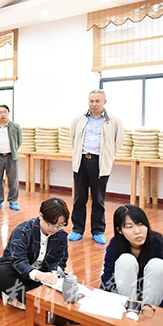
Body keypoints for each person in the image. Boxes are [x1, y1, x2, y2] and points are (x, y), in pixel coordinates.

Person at [0, 197, 70, 310]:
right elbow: (18, 261)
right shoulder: (22, 231)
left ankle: (25, 299)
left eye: (60, 225)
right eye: (52, 225)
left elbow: (60, 260)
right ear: (41, 216)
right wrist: (39, 275)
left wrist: (54, 273)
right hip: (18, 272)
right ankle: (38, 303)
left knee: (69, 280)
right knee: (0, 273)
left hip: (42, 274)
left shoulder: (61, 235)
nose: (55, 229)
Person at [69, 89, 124, 244]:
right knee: (79, 198)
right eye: (91, 101)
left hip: (100, 163)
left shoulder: (113, 120)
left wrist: (108, 155)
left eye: (97, 101)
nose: (94, 104)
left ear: (104, 102)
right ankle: (77, 229)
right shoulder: (78, 119)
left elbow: (118, 141)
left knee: (98, 199)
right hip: (81, 161)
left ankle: (98, 230)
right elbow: (73, 138)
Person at [101, 205, 163, 310]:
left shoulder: (158, 242)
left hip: (155, 300)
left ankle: (147, 311)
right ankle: (131, 310)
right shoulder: (115, 244)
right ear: (120, 230)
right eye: (129, 227)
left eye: (140, 224)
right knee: (126, 260)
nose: (137, 231)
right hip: (125, 300)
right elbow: (108, 276)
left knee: (158, 265)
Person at [0, 104, 23, 211]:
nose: (2, 114)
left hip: (11, 156)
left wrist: (13, 150)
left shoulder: (15, 126)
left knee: (13, 180)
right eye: (0, 112)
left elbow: (19, 141)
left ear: (8, 113)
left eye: (4, 112)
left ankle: (13, 201)